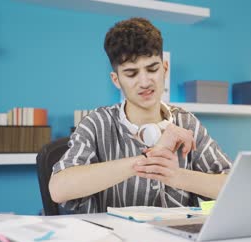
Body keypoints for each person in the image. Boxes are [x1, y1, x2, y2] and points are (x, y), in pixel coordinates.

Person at [49, 17, 232, 214]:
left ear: (165, 69)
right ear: (116, 80)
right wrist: (147, 160)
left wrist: (175, 175)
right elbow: (59, 189)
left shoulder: (187, 123)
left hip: (177, 240)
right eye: (131, 73)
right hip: (115, 241)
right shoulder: (97, 123)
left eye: (152, 69)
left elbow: (233, 186)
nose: (144, 82)